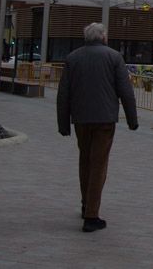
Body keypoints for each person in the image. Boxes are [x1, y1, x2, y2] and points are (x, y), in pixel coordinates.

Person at [57, 23, 138, 233]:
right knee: (99, 164)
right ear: (103, 37)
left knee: (85, 160)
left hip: (81, 119)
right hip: (105, 120)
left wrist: (63, 123)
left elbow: (63, 93)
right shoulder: (114, 57)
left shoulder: (72, 58)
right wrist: (132, 119)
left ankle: (86, 204)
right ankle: (92, 215)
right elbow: (125, 91)